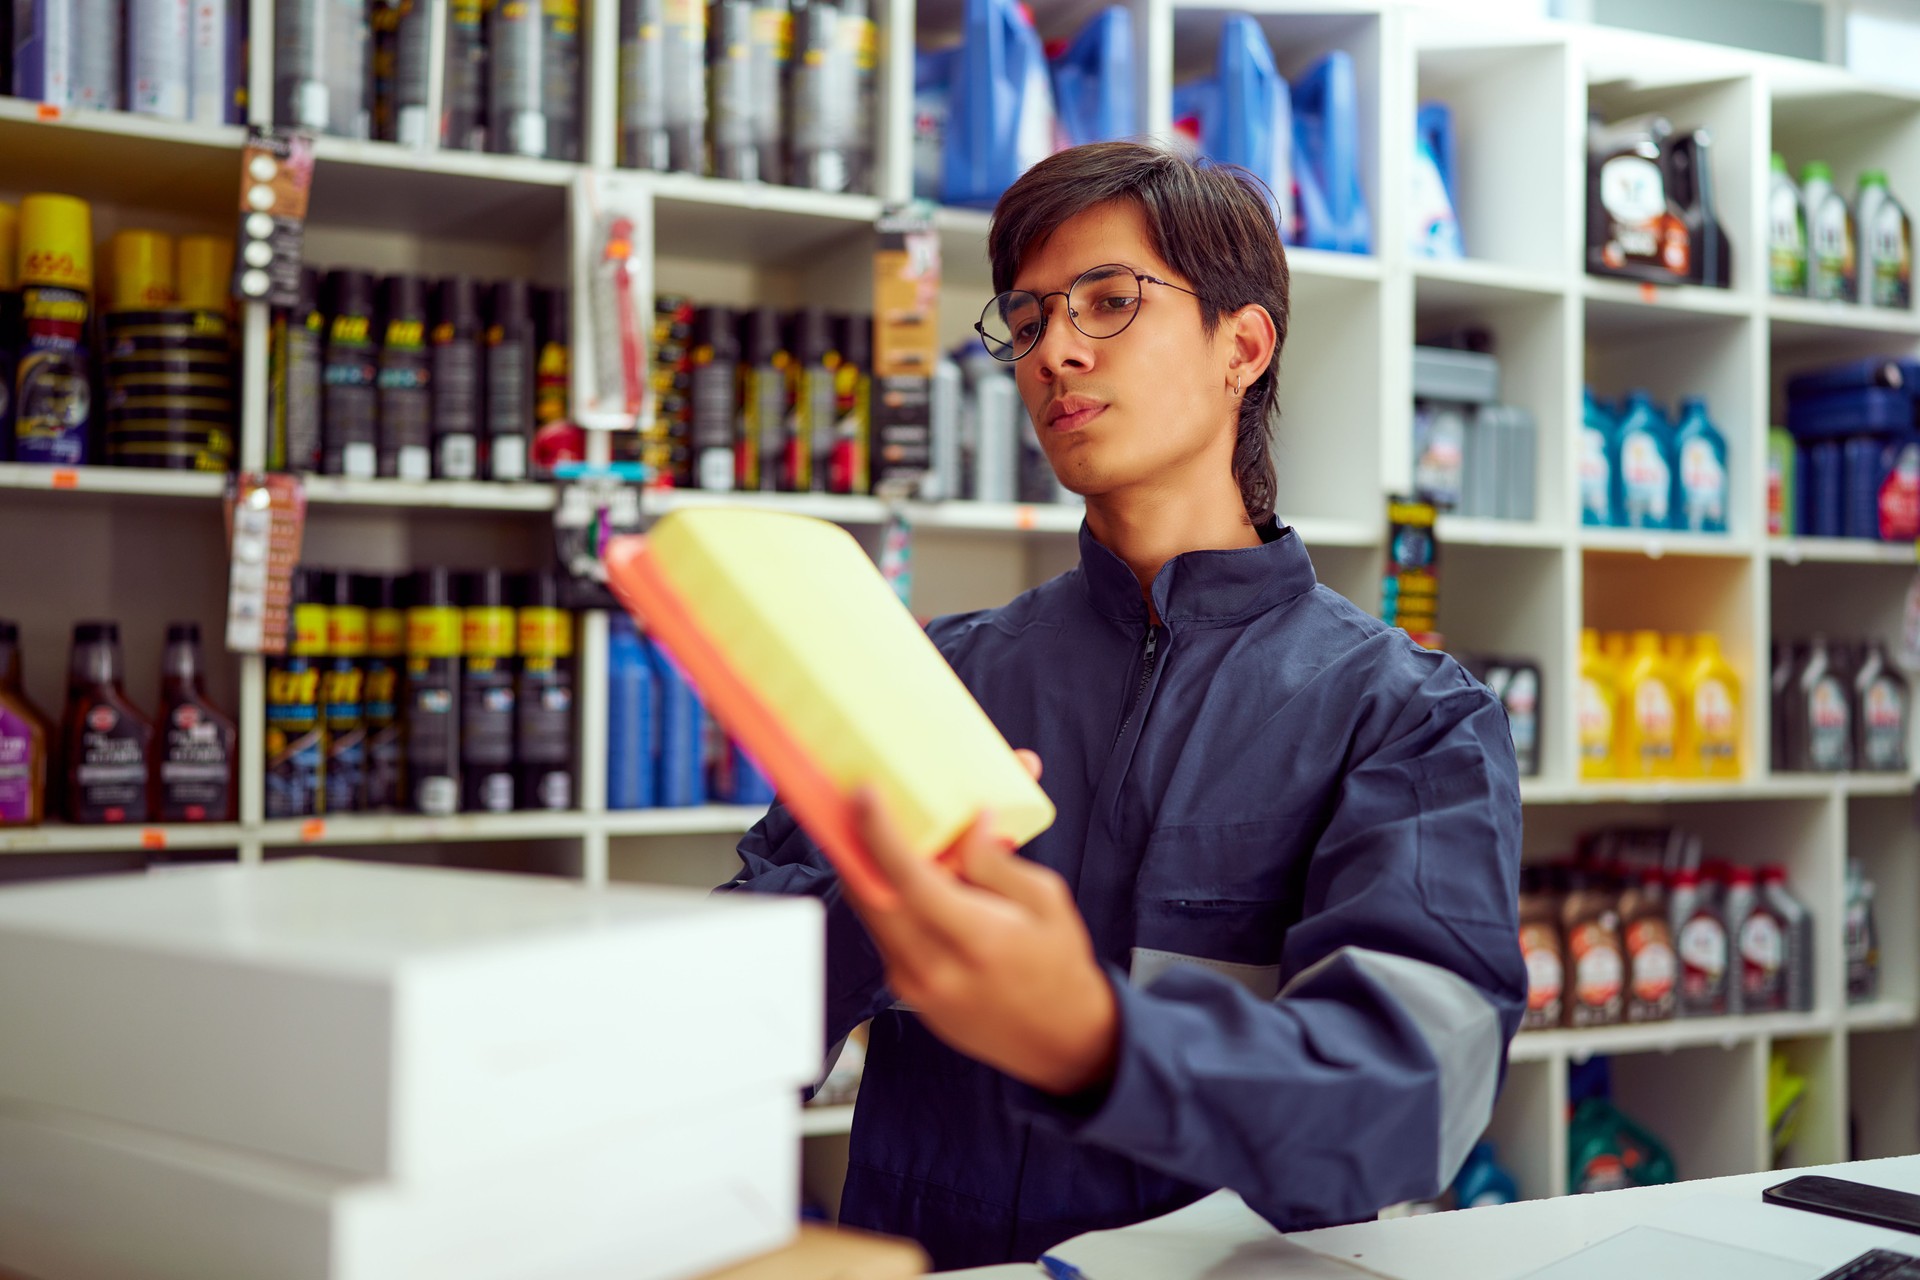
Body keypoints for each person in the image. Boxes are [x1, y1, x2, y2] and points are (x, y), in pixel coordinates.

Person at [721, 140, 1527, 1270]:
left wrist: (1100, 1039)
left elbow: (1413, 1097)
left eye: (1109, 301)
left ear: (1243, 345)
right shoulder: (933, 680)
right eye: (1030, 315)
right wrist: (871, 905)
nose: (1056, 347)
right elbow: (724, 1037)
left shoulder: (1405, 716)